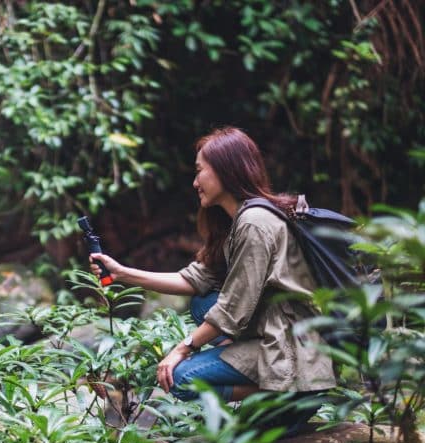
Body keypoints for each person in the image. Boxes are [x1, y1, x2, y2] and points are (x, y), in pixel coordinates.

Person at [90, 126, 336, 414]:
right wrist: (122, 273)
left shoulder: (255, 223)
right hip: (275, 331)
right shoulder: (237, 222)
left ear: (226, 170)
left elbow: (233, 310)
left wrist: (182, 349)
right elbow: (193, 279)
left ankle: (283, 393)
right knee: (202, 302)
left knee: (182, 378)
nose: (195, 182)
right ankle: (264, 378)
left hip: (293, 348)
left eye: (199, 171)